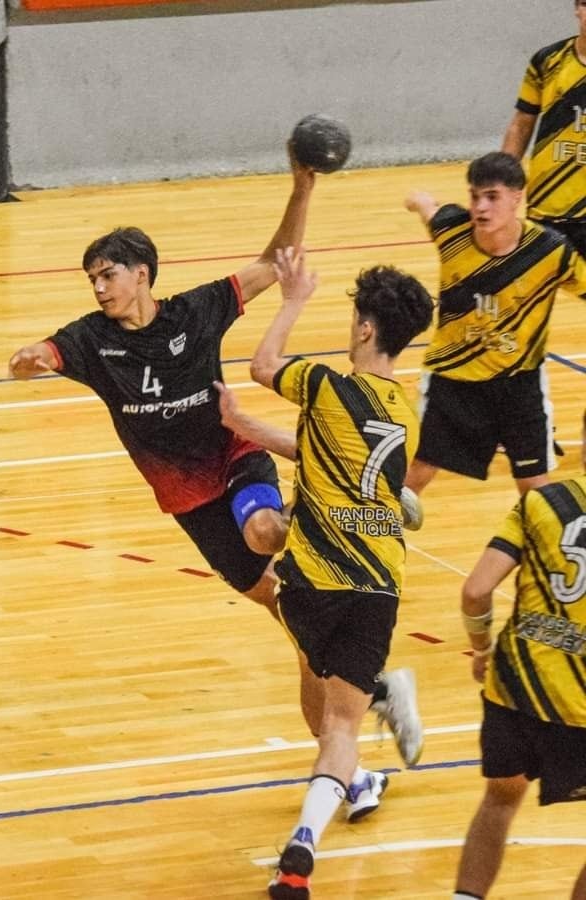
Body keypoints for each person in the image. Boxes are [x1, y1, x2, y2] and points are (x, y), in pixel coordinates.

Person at [8, 147, 422, 821]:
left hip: (237, 460)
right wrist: (29, 359)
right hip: (187, 501)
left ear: (142, 273)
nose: (99, 288)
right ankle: (360, 742)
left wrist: (302, 186)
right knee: (293, 627)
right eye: (91, 279)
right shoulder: (88, 339)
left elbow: (275, 261)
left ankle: (337, 503)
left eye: (108, 274)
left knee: (264, 529)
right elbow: (45, 354)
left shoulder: (195, 313)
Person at [238, 247, 433, 899]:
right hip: (380, 583)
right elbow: (339, 453)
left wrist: (292, 299)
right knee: (340, 726)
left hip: (316, 578)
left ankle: (382, 691)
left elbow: (262, 365)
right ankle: (301, 850)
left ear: (366, 328)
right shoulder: (405, 411)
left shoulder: (326, 385)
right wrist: (247, 427)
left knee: (321, 697)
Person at [453, 409, 586, 900]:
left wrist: (482, 649)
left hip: (515, 686)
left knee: (499, 800)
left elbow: (475, 591)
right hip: (580, 710)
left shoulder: (542, 502)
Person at [404, 151, 586, 501]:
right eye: (475, 196)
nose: (481, 208)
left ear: (517, 197)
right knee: (415, 473)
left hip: (519, 385)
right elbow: (429, 209)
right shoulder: (451, 230)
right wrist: (418, 200)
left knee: (536, 490)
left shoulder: (550, 251)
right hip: (454, 380)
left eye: (492, 197)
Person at [502, 0, 586, 257]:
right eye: (585, 4)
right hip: (546, 207)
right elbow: (520, 125)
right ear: (576, 9)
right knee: (533, 294)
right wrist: (502, 184)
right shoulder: (547, 61)